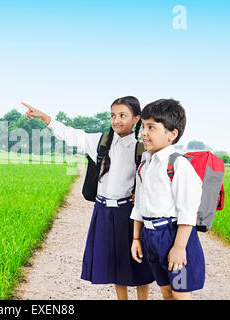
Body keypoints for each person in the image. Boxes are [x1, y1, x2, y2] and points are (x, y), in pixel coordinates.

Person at [22, 97, 154, 300]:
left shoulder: (143, 150)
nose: (116, 120)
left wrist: (142, 194)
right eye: (113, 115)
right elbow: (70, 135)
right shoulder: (100, 142)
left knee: (137, 261)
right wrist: (45, 118)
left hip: (128, 212)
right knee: (116, 263)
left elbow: (155, 179)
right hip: (103, 211)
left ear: (136, 119)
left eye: (122, 115)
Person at [130, 98, 205, 300]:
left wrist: (179, 247)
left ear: (172, 134)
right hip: (150, 237)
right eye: (143, 126)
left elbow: (188, 211)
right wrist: (136, 238)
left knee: (180, 294)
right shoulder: (144, 164)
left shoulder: (178, 165)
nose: (143, 133)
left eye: (151, 127)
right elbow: (139, 206)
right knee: (166, 291)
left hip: (173, 236)